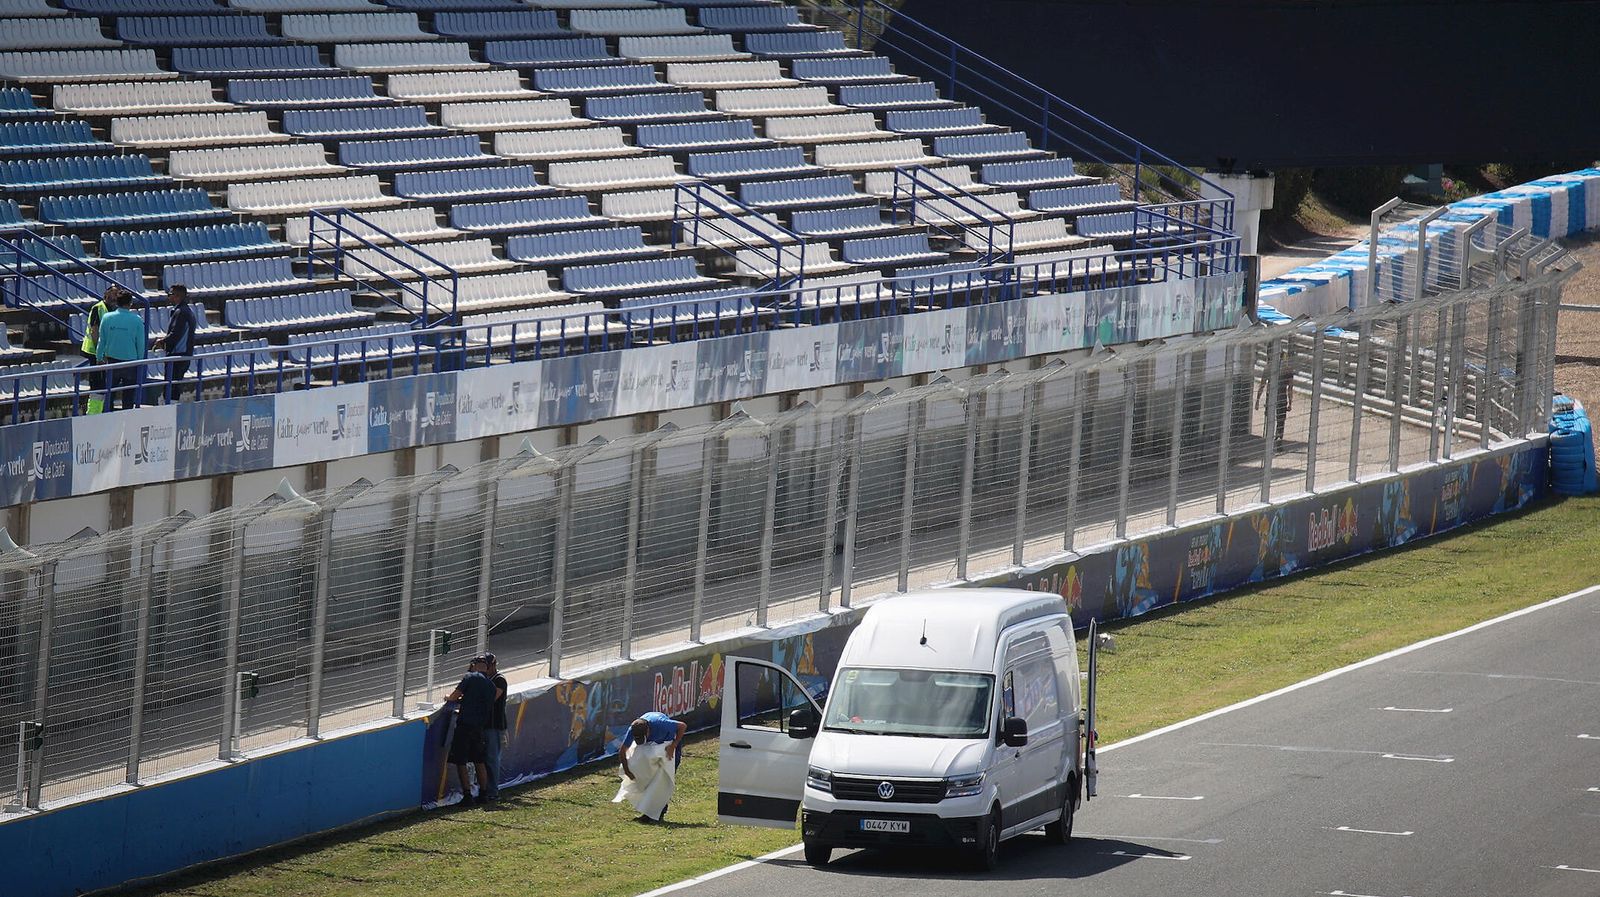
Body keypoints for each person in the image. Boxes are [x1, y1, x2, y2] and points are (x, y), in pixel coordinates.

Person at [444, 656, 497, 805]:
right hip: (479, 728)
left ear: (473, 665)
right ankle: (484, 793)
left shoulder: (470, 677)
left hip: (465, 726)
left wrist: (448, 697)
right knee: (479, 760)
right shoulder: (491, 686)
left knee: (461, 761)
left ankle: (467, 795)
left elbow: (454, 696)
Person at [620, 711, 686, 822]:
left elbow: (682, 726)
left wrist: (673, 745)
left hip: (668, 746)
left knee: (663, 780)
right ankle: (649, 812)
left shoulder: (661, 723)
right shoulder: (633, 729)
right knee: (648, 777)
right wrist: (627, 771)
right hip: (652, 748)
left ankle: (658, 813)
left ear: (648, 730)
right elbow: (623, 751)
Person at [95, 291, 147, 412]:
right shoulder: (137, 320)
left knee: (109, 392)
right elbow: (140, 343)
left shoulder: (107, 317)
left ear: (117, 303)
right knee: (129, 394)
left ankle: (107, 416)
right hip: (131, 362)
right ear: (130, 303)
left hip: (112, 361)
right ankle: (127, 418)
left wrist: (99, 357)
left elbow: (101, 340)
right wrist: (140, 361)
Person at [79, 285, 118, 414]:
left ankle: (104, 410)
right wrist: (99, 353)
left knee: (105, 384)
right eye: (112, 293)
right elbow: (94, 330)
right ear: (105, 295)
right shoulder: (98, 308)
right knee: (97, 384)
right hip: (94, 351)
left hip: (106, 352)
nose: (115, 297)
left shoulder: (114, 310)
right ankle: (93, 413)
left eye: (117, 294)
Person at [160, 284, 197, 398]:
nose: (168, 297)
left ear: (177, 296)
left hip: (177, 356)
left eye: (170, 294)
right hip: (184, 354)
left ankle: (169, 409)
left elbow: (175, 334)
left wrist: (162, 341)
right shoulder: (186, 310)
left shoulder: (181, 312)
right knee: (174, 385)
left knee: (171, 386)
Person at [1254, 346, 1293, 449]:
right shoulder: (1287, 369)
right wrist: (1290, 402)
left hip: (1271, 396)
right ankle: (1279, 439)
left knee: (1270, 418)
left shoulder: (1268, 367)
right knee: (1281, 420)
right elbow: (1290, 387)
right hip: (1282, 396)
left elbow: (1262, 385)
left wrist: (1257, 400)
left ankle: (1269, 439)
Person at [482, 653, 508, 804]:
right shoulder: (482, 678)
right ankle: (483, 789)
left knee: (492, 758)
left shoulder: (499, 680)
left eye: (485, 666)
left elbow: (490, 698)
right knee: (483, 759)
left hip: (494, 725)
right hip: (483, 724)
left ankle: (493, 791)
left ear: (492, 665)